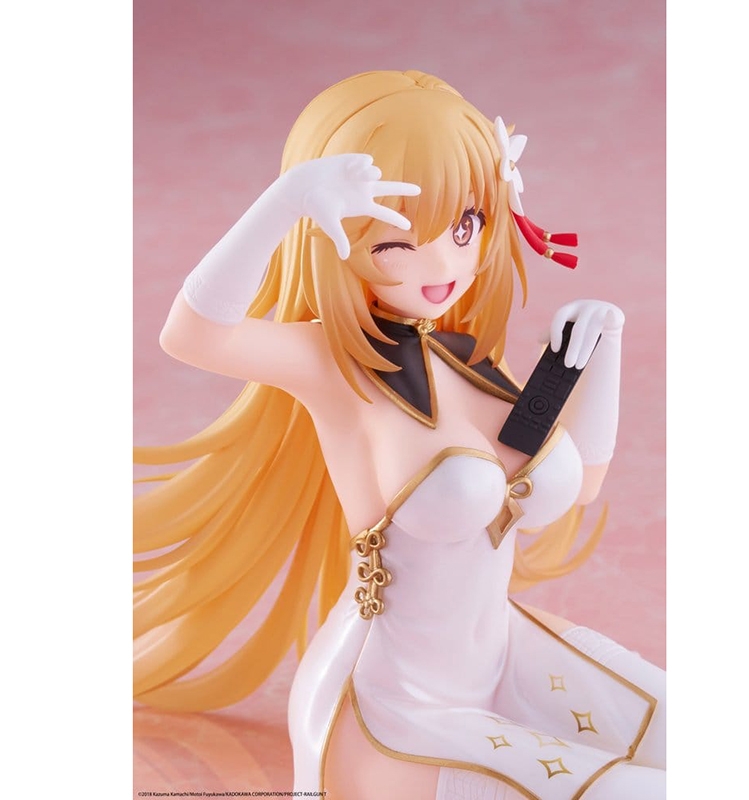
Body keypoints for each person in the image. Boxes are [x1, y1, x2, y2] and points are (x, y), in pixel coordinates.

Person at [133, 69, 665, 800]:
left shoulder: (476, 362)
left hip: (507, 657)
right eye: (395, 243)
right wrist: (286, 201)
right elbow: (192, 334)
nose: (443, 264)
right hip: (396, 714)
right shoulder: (332, 363)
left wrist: (600, 356)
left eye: (464, 227)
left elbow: (585, 485)